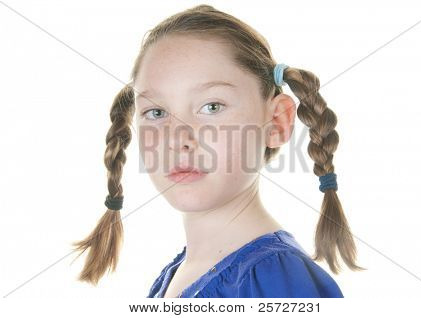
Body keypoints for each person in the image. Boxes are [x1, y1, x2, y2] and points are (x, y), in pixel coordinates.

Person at [71, 4, 365, 298]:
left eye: (211, 107)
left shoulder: (277, 282)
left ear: (277, 122)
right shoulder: (175, 275)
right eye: (157, 112)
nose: (178, 139)